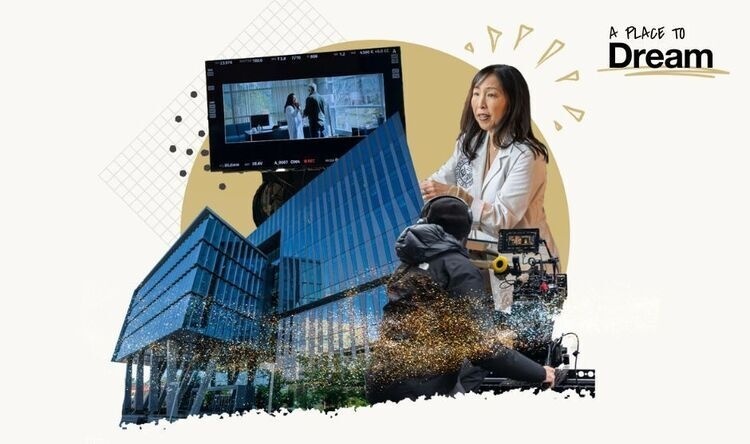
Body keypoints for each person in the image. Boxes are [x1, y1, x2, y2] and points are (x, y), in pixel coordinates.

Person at [366, 195, 554, 404]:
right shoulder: (457, 267)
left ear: (424, 223)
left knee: (471, 364)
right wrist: (540, 373)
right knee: (484, 354)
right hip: (418, 393)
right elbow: (484, 351)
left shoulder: (406, 267)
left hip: (380, 383)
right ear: (465, 230)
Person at [420, 64, 557, 258]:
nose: (480, 104)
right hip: (481, 255)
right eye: (476, 94)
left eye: (491, 95)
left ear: (512, 102)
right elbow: (436, 183)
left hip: (525, 261)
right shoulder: (470, 143)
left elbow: (503, 220)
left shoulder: (527, 155)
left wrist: (457, 195)